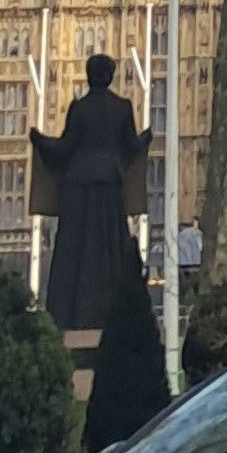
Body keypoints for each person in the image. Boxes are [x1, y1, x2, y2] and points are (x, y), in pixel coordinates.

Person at [31, 52, 145, 338]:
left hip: (78, 186)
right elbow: (131, 147)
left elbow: (65, 148)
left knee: (75, 249)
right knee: (109, 250)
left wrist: (39, 140)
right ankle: (109, 310)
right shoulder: (122, 107)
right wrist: (148, 137)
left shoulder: (79, 108)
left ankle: (70, 312)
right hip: (109, 186)